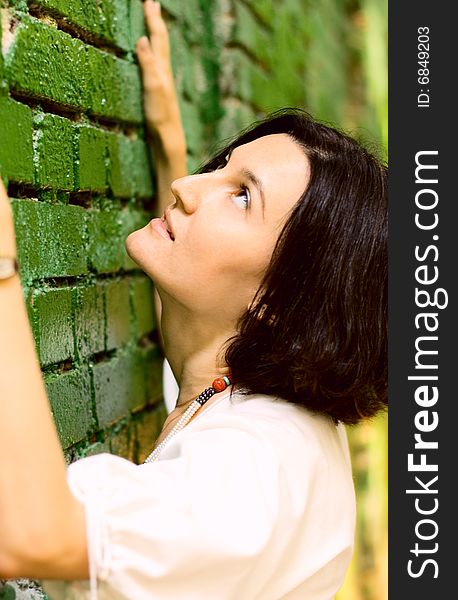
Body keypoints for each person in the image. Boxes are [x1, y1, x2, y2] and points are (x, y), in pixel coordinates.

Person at [0, 1, 387, 598]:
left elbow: (28, 535)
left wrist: (4, 260)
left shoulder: (260, 472)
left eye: (240, 197)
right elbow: (195, 320)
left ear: (283, 301)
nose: (186, 189)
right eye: (221, 168)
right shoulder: (238, 382)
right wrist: (169, 144)